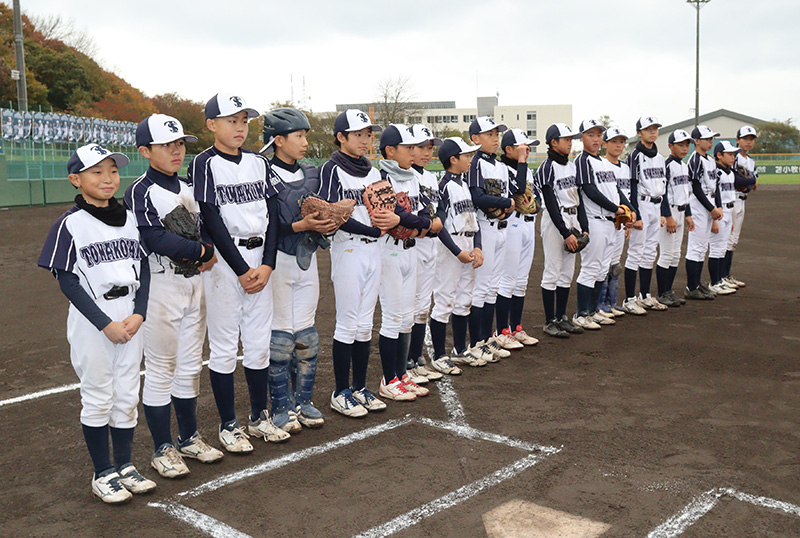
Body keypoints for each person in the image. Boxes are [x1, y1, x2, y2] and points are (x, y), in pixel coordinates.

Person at [38, 143, 156, 504]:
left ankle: (124, 466)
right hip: (94, 317)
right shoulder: (70, 224)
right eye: (97, 172)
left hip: (129, 313)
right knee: (98, 395)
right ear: (75, 179)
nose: (108, 179)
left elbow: (144, 268)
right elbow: (67, 280)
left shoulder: (130, 219)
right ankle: (103, 472)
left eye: (113, 171)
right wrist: (105, 323)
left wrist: (139, 312)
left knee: (126, 393)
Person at [125, 114, 223, 478]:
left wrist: (206, 248)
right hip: (160, 287)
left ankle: (188, 438)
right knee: (162, 367)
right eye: (166, 145)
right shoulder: (140, 191)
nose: (176, 150)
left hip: (193, 285)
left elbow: (205, 228)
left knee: (189, 365)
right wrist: (203, 252)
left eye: (180, 143)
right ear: (145, 151)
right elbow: (154, 238)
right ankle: (162, 448)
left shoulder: (187, 187)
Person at [190, 92, 288, 452]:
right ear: (211, 124)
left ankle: (259, 417)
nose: (240, 127)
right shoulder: (204, 164)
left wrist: (268, 264)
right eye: (231, 120)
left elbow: (273, 215)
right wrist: (243, 269)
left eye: (244, 121)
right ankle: (228, 425)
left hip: (260, 259)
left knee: (259, 344)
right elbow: (211, 218)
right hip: (225, 263)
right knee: (224, 346)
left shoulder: (259, 163)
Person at [263, 107, 339, 432]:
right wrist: (300, 225)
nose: (305, 142)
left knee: (307, 335)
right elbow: (266, 226)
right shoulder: (264, 174)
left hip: (306, 259)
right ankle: (281, 406)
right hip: (278, 260)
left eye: (305, 135)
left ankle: (303, 401)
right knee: (281, 339)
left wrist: (330, 220)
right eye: (299, 135)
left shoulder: (312, 173)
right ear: (278, 140)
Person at [317, 109, 388, 417]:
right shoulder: (332, 169)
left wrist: (389, 220)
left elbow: (386, 208)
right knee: (347, 323)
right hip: (348, 249)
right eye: (358, 134)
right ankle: (341, 391)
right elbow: (331, 213)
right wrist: (372, 230)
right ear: (341, 137)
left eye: (368, 134)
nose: (364, 140)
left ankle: (359, 387)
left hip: (375, 250)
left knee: (364, 324)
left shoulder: (375, 172)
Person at [376, 124, 433, 402]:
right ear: (390, 150)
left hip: (411, 250)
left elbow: (425, 215)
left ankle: (401, 374)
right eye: (408, 148)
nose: (414, 152)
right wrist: (413, 221)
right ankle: (389, 380)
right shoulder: (380, 177)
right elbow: (397, 213)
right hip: (389, 251)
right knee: (393, 317)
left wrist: (412, 222)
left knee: (407, 317)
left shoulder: (412, 178)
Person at [429, 137, 485, 372]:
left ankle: (460, 350)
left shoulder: (463, 185)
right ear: (453, 159)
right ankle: (439, 355)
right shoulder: (443, 186)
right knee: (444, 300)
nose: (471, 160)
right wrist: (456, 251)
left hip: (467, 242)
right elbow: (439, 225)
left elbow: (474, 221)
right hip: (450, 245)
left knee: (464, 300)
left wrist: (477, 246)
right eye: (467, 156)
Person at [574, 119, 634, 329]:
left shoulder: (601, 162)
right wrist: (616, 208)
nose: (596, 139)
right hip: (595, 221)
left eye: (598, 135)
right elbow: (590, 191)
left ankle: (593, 311)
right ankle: (581, 314)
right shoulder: (582, 161)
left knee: (601, 269)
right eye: (590, 135)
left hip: (610, 223)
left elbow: (615, 190)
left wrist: (630, 208)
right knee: (590, 268)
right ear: (582, 137)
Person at [466, 116, 517, 361]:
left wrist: (508, 207)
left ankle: (488, 339)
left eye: (497, 134)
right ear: (475, 138)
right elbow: (477, 197)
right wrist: (506, 202)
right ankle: (476, 342)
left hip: (502, 228)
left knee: (493, 288)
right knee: (481, 288)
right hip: (484, 228)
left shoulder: (501, 166)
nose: (495, 139)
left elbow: (510, 200)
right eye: (489, 134)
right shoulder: (475, 163)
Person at [537, 123, 587, 338]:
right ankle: (549, 321)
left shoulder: (572, 166)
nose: (570, 143)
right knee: (552, 271)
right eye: (566, 139)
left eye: (571, 139)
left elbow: (579, 198)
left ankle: (561, 317)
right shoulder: (547, 167)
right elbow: (550, 203)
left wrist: (585, 228)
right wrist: (566, 233)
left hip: (573, 216)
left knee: (567, 273)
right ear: (553, 142)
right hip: (555, 220)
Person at [495, 128, 541, 347]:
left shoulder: (526, 169)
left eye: (528, 146)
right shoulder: (503, 169)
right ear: (508, 149)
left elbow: (534, 196)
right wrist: (522, 162)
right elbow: (519, 188)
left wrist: (535, 206)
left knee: (521, 281)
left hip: (528, 226)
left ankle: (516, 328)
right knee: (508, 279)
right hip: (512, 225)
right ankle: (502, 331)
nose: (527, 150)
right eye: (522, 146)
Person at [407, 124, 445, 382]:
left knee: (423, 304)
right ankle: (407, 360)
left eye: (430, 148)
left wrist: (439, 219)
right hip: (413, 243)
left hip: (431, 244)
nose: (427, 152)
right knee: (409, 304)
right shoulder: (405, 175)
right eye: (421, 147)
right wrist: (429, 223)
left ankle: (417, 357)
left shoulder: (431, 177)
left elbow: (439, 205)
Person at [622, 116, 669, 313]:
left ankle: (644, 295)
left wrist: (663, 212)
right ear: (639, 133)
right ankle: (629, 299)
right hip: (642, 204)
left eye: (655, 128)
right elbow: (632, 185)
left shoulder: (660, 158)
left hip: (656, 206)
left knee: (650, 251)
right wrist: (636, 214)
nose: (653, 132)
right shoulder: (634, 156)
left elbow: (663, 187)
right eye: (648, 129)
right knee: (636, 251)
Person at [655, 129, 694, 306]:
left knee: (676, 254)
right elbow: (662, 193)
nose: (685, 148)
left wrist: (688, 215)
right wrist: (668, 216)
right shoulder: (667, 165)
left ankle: (668, 291)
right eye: (680, 145)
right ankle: (662, 293)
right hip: (669, 211)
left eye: (687, 145)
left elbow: (685, 193)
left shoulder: (684, 165)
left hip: (681, 210)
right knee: (666, 253)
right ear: (670, 146)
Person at [598, 127, 634, 316]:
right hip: (607, 219)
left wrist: (628, 219)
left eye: (621, 142)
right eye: (614, 141)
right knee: (603, 264)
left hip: (621, 221)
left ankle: (611, 303)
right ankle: (600, 304)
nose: (619, 145)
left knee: (615, 264)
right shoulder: (602, 165)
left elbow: (626, 194)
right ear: (605, 144)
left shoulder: (625, 168)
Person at [684, 125, 722, 300]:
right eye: (707, 139)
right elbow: (696, 187)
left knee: (702, 247)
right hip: (699, 206)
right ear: (697, 141)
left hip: (708, 203)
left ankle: (697, 284)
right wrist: (711, 208)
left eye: (712, 138)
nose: (711, 141)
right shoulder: (695, 159)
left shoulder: (710, 160)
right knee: (696, 247)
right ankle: (691, 287)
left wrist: (717, 206)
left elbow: (715, 185)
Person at [724, 125, 759, 287]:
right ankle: (721, 277)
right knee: (726, 240)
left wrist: (748, 184)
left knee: (733, 241)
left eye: (751, 139)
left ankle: (726, 275)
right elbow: (736, 181)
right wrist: (749, 181)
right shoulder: (734, 157)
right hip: (732, 199)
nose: (748, 142)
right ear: (737, 140)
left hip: (742, 200)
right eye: (745, 139)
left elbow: (753, 184)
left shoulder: (751, 161)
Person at [707, 141, 740, 295]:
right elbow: (714, 195)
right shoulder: (716, 172)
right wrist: (714, 220)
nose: (733, 157)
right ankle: (714, 282)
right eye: (730, 154)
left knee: (722, 248)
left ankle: (720, 279)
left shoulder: (730, 172)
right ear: (719, 155)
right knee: (716, 248)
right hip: (719, 212)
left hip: (728, 211)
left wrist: (731, 219)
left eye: (734, 154)